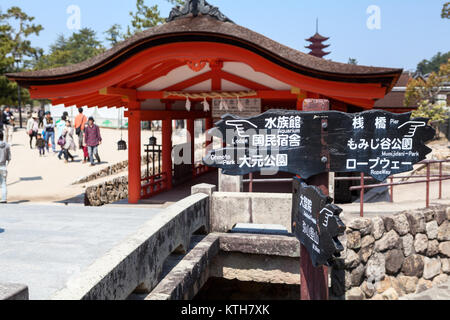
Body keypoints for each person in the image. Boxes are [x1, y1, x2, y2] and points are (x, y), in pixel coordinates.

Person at [0, 131, 11, 203]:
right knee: (3, 183)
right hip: (3, 166)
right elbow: (9, 158)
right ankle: (4, 199)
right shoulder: (7, 145)